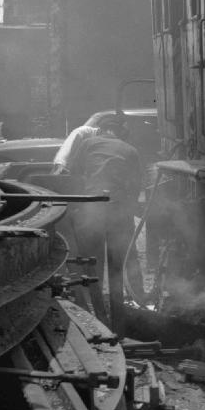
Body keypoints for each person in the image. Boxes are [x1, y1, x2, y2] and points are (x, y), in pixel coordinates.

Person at [64, 114, 143, 328]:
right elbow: (136, 185)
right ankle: (131, 309)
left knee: (92, 261)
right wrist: (128, 209)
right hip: (118, 210)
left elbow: (74, 175)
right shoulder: (130, 150)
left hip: (92, 207)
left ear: (102, 130)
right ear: (120, 132)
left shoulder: (88, 144)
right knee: (124, 260)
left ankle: (94, 316)